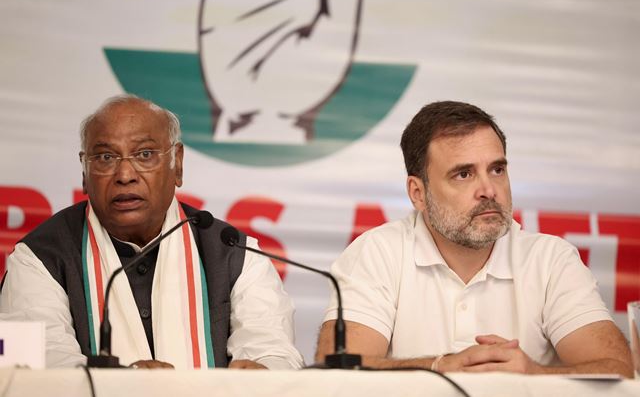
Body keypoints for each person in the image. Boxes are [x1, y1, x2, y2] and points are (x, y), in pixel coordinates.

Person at [316, 101, 633, 376]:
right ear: (418, 193)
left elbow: (619, 370)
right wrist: (439, 367)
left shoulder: (550, 260)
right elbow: (336, 369)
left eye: (497, 170)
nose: (489, 190)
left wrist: (535, 375)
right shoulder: (377, 253)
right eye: (464, 174)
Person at [0, 94, 304, 370]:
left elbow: (273, 349)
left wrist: (263, 372)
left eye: (144, 154)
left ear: (177, 164)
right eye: (105, 157)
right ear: (84, 171)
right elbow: (32, 363)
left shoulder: (235, 254)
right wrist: (124, 384)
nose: (125, 175)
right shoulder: (39, 257)